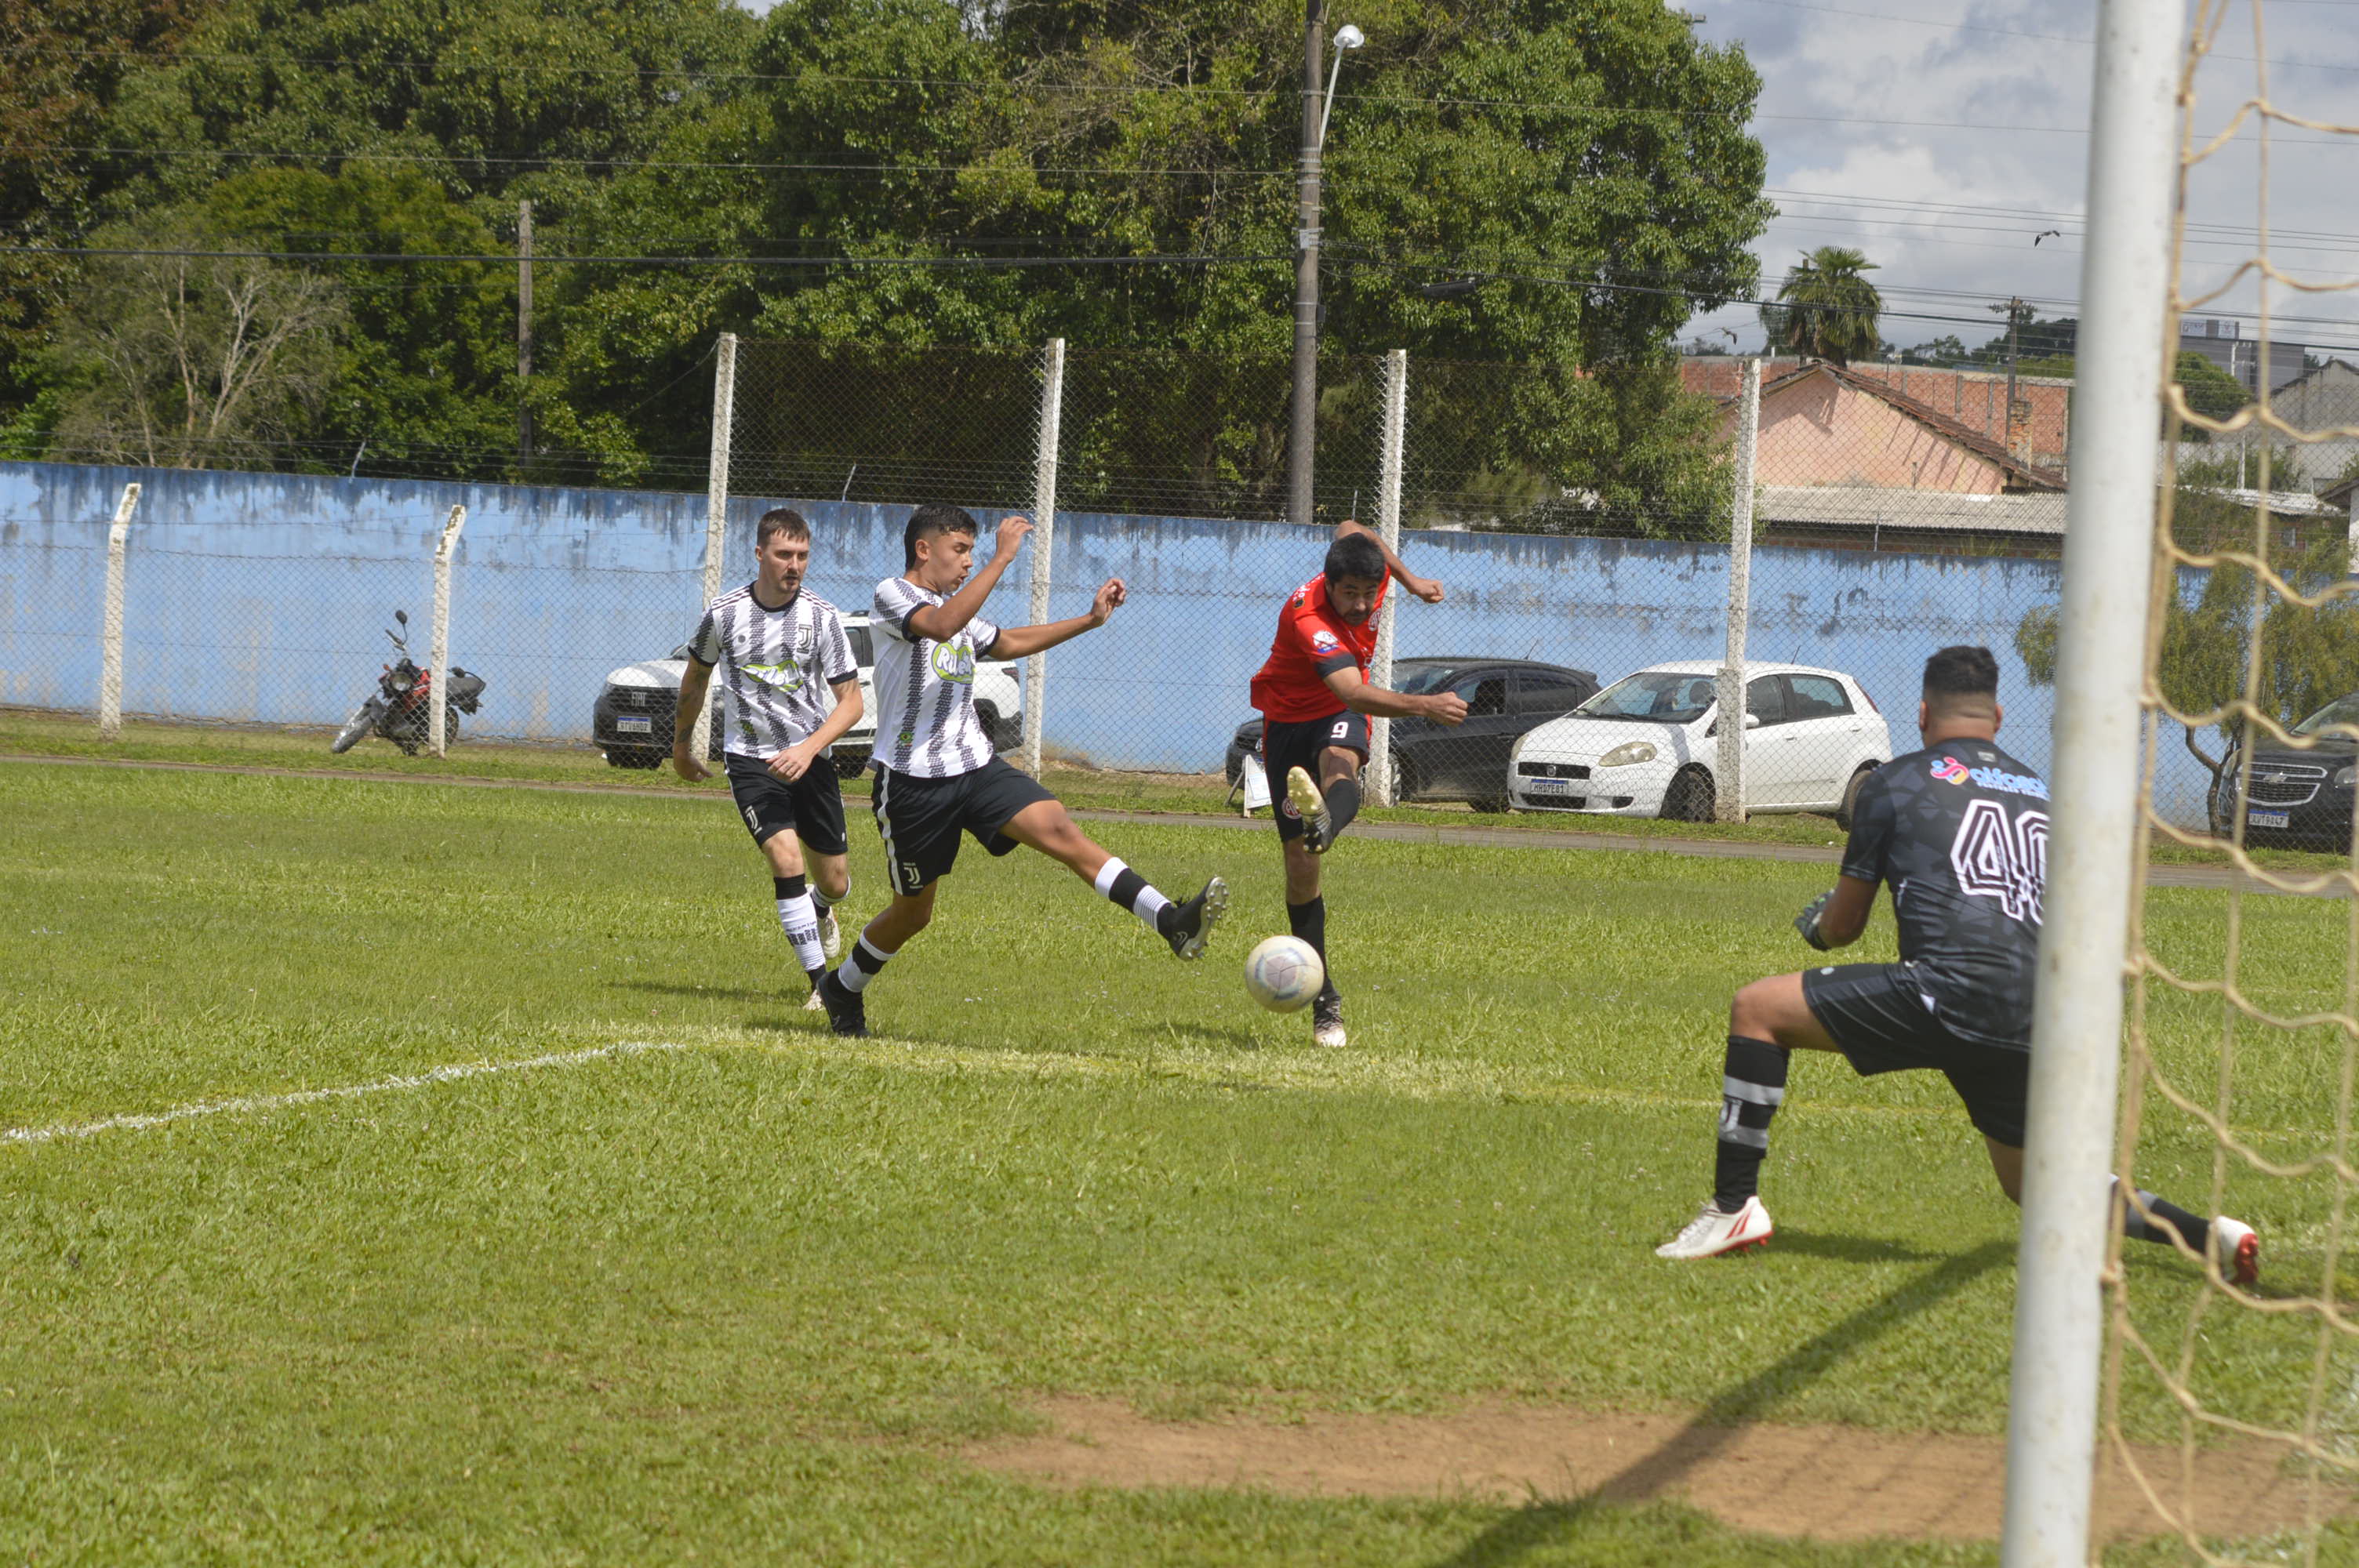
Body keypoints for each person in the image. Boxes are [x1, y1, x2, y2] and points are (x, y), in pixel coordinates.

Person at [1656, 645, 2260, 1287]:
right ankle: (2212, 1236)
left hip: (1947, 991)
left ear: (1922, 714)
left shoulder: (1894, 782)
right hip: (2041, 1011)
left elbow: (1845, 927)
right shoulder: (2042, 795)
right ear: (1998, 716)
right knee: (2033, 1183)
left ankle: (1731, 1208)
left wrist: (1818, 926)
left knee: (1758, 1010)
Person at [813, 503, 1227, 1039]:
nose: (968, 562)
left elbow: (1005, 642)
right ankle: (842, 988)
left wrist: (1089, 619)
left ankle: (1169, 920)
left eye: (973, 553)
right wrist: (1004, 558)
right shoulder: (893, 595)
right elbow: (941, 626)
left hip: (976, 767)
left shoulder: (955, 608)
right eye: (960, 550)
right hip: (913, 785)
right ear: (924, 549)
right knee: (913, 916)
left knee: (1060, 829)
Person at [1247, 520, 1466, 1049]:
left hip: (1337, 714)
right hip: (1289, 724)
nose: (1363, 605)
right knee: (1302, 873)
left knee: (1342, 766)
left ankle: (1325, 822)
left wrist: (1408, 579)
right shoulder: (1310, 617)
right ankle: (1324, 998)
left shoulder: (1366, 575)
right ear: (1329, 584)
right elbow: (1354, 687)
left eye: (1371, 593)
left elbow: (1353, 528)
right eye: (1351, 595)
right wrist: (1426, 705)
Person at [673, 507, 866, 1005]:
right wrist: (680, 746)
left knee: (837, 881)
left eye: (802, 555)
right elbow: (694, 681)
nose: (794, 564)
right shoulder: (724, 613)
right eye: (784, 554)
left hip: (811, 758)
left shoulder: (822, 617)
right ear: (760, 554)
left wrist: (809, 748)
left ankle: (823, 909)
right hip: (751, 759)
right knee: (785, 860)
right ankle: (823, 987)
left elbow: (852, 703)